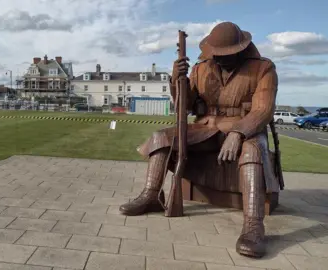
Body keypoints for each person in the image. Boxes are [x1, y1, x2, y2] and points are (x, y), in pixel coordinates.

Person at [119, 21, 280, 258]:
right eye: (218, 54)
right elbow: (184, 106)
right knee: (161, 137)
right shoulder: (201, 68)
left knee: (252, 151)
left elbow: (263, 110)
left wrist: (238, 132)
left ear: (242, 48)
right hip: (206, 127)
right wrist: (177, 81)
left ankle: (253, 226)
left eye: (228, 54)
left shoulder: (263, 68)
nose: (222, 58)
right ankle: (151, 195)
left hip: (245, 129)